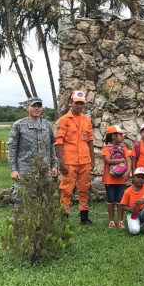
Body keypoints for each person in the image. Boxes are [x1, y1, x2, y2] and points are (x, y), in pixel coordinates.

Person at [55, 90, 95, 225]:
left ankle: (84, 217)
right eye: (77, 103)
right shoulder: (63, 120)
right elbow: (58, 142)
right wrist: (61, 162)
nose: (79, 106)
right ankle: (63, 218)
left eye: (81, 104)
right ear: (71, 103)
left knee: (84, 189)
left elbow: (90, 140)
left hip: (84, 161)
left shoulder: (86, 120)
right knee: (66, 190)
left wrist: (92, 159)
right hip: (69, 161)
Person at [8, 97, 58, 204]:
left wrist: (54, 165)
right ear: (27, 108)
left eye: (39, 106)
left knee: (45, 199)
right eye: (33, 106)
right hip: (25, 170)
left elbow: (51, 145)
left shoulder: (46, 125)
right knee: (22, 200)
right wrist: (13, 169)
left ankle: (43, 221)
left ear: (42, 108)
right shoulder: (19, 125)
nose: (36, 108)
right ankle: (20, 221)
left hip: (44, 169)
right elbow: (12, 148)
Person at [101, 125, 131, 228]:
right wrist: (122, 160)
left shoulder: (123, 148)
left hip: (121, 179)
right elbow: (108, 161)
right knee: (110, 200)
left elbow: (129, 160)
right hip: (109, 180)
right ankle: (112, 220)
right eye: (121, 135)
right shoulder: (106, 148)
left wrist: (128, 171)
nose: (123, 137)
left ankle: (120, 221)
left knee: (120, 201)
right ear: (113, 136)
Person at [119, 167, 144, 236]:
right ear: (133, 178)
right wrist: (130, 209)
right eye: (138, 177)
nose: (140, 179)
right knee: (134, 231)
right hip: (133, 213)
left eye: (142, 177)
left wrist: (143, 202)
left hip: (143, 212)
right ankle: (139, 223)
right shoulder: (128, 191)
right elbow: (122, 206)